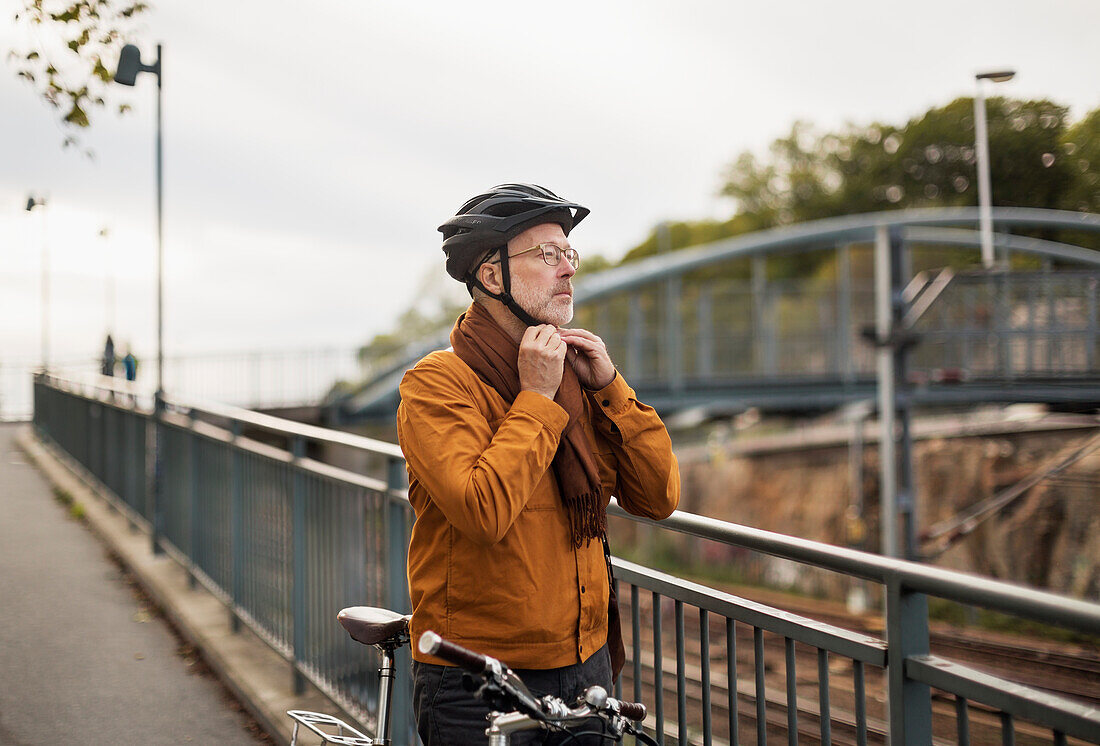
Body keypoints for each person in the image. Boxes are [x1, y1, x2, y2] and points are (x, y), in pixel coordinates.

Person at [397, 183, 681, 744]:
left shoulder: (576, 377)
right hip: (477, 678)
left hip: (588, 665)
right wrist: (535, 399)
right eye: (546, 255)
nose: (567, 270)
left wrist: (612, 388)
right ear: (493, 276)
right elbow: (482, 510)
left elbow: (657, 497)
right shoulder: (436, 382)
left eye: (568, 254)